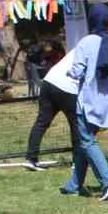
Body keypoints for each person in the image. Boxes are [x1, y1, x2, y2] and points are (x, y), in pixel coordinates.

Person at [61, 4, 108, 201]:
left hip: (88, 101)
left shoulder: (86, 42)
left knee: (87, 141)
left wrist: (69, 73)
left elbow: (77, 71)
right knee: (84, 142)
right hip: (107, 103)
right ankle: (74, 185)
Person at [25, 39, 81, 171]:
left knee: (41, 123)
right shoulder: (93, 52)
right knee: (76, 124)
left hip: (48, 83)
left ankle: (31, 159)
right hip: (66, 88)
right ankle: (78, 161)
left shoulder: (77, 49)